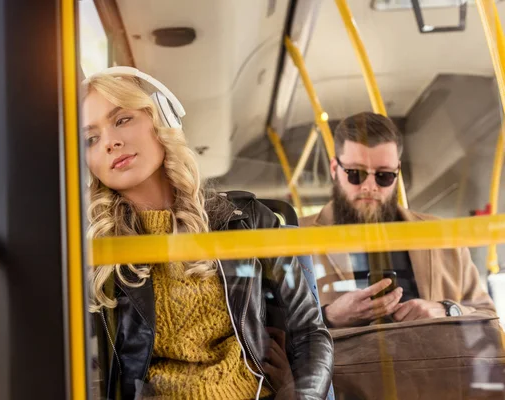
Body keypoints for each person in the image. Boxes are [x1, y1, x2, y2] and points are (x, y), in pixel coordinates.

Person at [82, 67, 333, 399]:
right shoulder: (91, 254)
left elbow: (309, 333)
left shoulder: (248, 220)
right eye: (91, 139)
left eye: (122, 120)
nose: (111, 142)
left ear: (161, 118)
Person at [299, 112, 497, 329]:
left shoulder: (441, 236)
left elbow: (488, 316)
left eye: (383, 176)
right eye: (356, 173)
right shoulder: (294, 237)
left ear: (397, 173)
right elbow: (266, 331)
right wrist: (329, 317)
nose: (369, 186)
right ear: (335, 169)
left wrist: (447, 310)